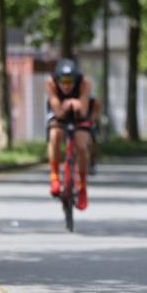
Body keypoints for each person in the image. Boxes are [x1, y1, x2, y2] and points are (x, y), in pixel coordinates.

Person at [46, 58, 94, 210]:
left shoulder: (84, 82)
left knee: (81, 145)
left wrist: (77, 104)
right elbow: (58, 111)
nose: (66, 86)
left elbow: (84, 109)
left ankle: (82, 187)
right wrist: (65, 106)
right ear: (58, 79)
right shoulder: (51, 83)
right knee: (55, 136)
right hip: (59, 113)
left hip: (79, 115)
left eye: (70, 81)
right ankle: (54, 177)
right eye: (63, 81)